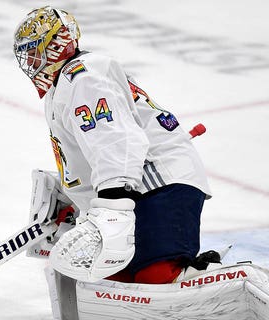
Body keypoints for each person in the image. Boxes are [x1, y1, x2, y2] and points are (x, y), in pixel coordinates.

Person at [13, 6, 212, 285]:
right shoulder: (63, 87)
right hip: (134, 186)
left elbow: (117, 140)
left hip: (159, 181)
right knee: (108, 279)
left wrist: (111, 204)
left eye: (35, 50)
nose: (31, 61)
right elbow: (92, 153)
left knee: (157, 276)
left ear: (57, 45)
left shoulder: (83, 78)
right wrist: (75, 201)